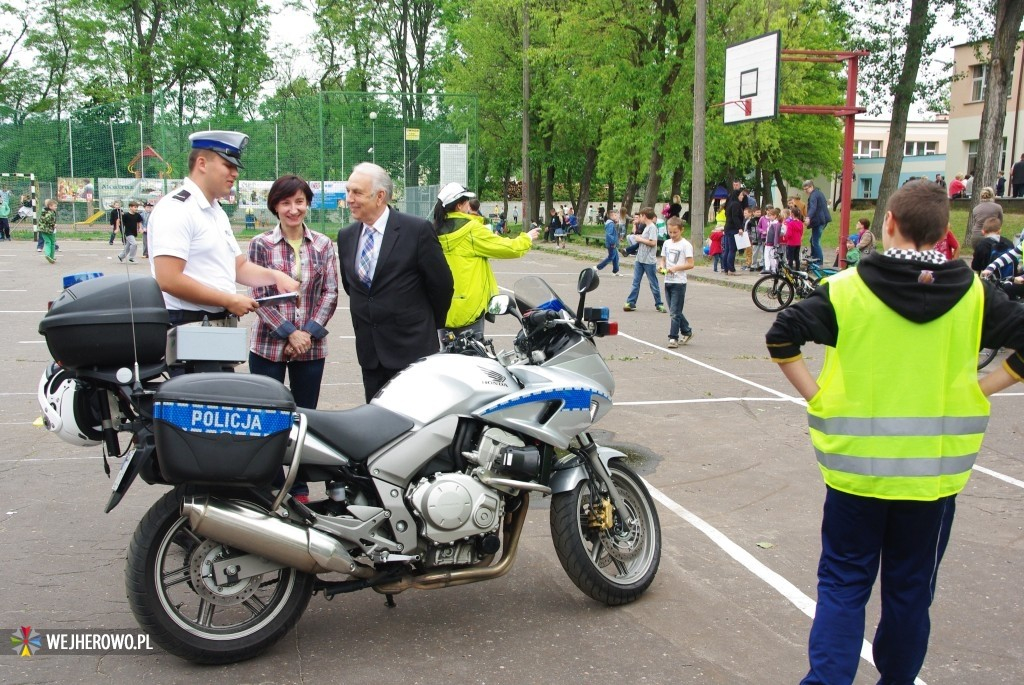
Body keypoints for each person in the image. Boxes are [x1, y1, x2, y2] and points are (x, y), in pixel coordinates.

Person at [766, 178, 1024, 685]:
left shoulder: (847, 289)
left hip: (856, 474)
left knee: (843, 583)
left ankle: (828, 680)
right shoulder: (973, 294)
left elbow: (782, 335)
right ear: (944, 232)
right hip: (931, 478)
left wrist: (818, 396)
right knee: (910, 591)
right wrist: (984, 387)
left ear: (888, 224)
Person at [149, 130, 299, 328]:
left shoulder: (215, 210)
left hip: (214, 321)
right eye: (228, 165)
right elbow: (168, 279)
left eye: (235, 167)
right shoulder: (177, 208)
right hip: (186, 322)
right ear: (202, 163)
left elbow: (238, 267)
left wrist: (275, 277)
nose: (235, 173)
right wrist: (228, 300)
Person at [337, 162, 453, 403]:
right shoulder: (346, 236)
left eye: (357, 192)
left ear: (380, 196)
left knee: (415, 426)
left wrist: (427, 327)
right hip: (371, 355)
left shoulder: (417, 230)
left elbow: (442, 286)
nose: (349, 199)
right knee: (377, 426)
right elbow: (354, 288)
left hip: (412, 351)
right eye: (348, 191)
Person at [433, 182, 538, 337]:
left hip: (442, 307)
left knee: (447, 356)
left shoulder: (434, 230)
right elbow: (508, 248)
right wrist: (527, 238)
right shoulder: (471, 230)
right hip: (470, 307)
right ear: (459, 206)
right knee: (474, 356)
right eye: (466, 201)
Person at [658, 217, 694, 348]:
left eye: (675, 232)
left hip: (679, 283)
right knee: (675, 311)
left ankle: (673, 338)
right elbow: (663, 259)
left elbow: (690, 264)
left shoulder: (685, 245)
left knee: (674, 312)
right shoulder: (667, 243)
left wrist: (675, 268)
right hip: (668, 281)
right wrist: (661, 266)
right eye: (670, 232)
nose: (672, 235)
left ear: (681, 230)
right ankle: (687, 331)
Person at [623, 207, 666, 312]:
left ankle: (659, 303)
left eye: (641, 216)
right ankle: (631, 302)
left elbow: (653, 242)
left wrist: (640, 239)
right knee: (635, 282)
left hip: (649, 261)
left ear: (645, 216)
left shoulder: (652, 227)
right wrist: (640, 238)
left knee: (653, 283)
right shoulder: (646, 227)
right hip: (640, 259)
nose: (639, 218)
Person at [803, 180, 831, 264]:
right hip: (822, 220)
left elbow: (813, 207)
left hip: (819, 221)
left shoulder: (813, 195)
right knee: (812, 240)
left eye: (806, 189)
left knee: (815, 241)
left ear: (811, 186)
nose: (805, 191)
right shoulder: (818, 193)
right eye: (804, 189)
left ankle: (819, 262)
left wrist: (808, 217)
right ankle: (813, 258)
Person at [722, 181, 746, 276]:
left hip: (727, 228)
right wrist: (740, 228)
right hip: (732, 229)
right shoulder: (736, 204)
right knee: (732, 250)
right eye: (741, 195)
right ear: (737, 196)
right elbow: (735, 217)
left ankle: (726, 268)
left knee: (727, 250)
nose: (742, 197)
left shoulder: (729, 204)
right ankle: (731, 269)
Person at [596, 208, 621, 275]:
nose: (618, 217)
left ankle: (616, 271)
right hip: (611, 244)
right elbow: (609, 235)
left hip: (613, 243)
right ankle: (597, 268)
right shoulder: (610, 224)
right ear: (612, 216)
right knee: (611, 257)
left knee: (616, 257)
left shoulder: (612, 223)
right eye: (617, 216)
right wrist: (613, 243)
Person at [37, 198, 57, 264]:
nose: (56, 207)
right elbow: (47, 219)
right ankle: (49, 256)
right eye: (55, 206)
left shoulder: (44, 211)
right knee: (52, 243)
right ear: (50, 206)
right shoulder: (50, 212)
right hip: (49, 230)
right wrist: (53, 224)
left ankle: (49, 256)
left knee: (48, 242)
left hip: (42, 229)